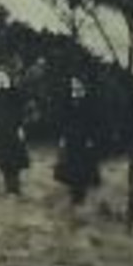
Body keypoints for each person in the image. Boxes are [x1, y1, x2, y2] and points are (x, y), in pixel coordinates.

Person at [54, 75, 102, 205]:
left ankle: (80, 195)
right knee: (71, 165)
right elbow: (63, 120)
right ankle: (74, 192)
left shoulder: (89, 102)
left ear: (83, 85)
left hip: (84, 138)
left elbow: (95, 121)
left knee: (83, 167)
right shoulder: (68, 100)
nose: (75, 86)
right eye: (73, 84)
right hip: (71, 137)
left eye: (77, 84)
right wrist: (62, 137)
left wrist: (91, 138)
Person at [0, 69, 30, 195]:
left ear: (8, 77)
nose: (0, 79)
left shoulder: (14, 92)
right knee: (3, 159)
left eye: (3, 76)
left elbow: (20, 111)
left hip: (13, 129)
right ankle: (8, 187)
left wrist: (20, 127)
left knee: (15, 159)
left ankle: (15, 187)